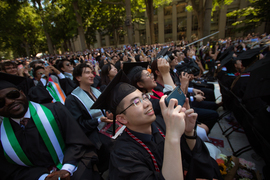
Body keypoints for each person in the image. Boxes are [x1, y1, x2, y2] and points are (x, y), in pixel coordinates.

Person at [91, 70, 222, 179]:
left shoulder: (161, 122)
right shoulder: (123, 156)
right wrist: (173, 135)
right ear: (122, 119)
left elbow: (195, 159)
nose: (147, 103)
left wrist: (188, 132)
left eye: (144, 97)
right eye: (136, 102)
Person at [0, 74, 99, 180]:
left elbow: (77, 141)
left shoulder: (56, 110)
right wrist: (43, 177)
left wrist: (66, 169)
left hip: (74, 165)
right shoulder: (2, 135)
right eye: (1, 102)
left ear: (22, 93)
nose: (9, 102)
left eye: (13, 95)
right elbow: (11, 169)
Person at [65, 63, 114, 174]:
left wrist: (109, 114)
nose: (92, 75)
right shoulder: (72, 99)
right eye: (87, 73)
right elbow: (79, 125)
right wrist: (99, 120)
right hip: (93, 137)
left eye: (92, 72)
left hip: (107, 128)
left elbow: (106, 109)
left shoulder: (97, 92)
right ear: (78, 77)